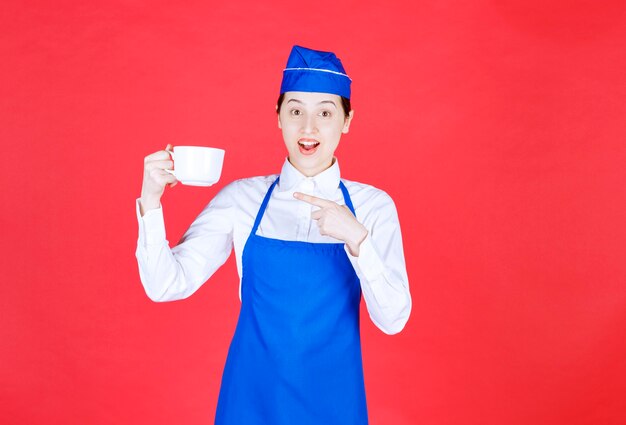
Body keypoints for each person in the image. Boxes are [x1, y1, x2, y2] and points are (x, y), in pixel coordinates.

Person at [135, 45, 411, 425]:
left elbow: (394, 319)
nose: (308, 128)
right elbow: (165, 285)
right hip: (250, 401)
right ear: (278, 117)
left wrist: (358, 240)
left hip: (335, 403)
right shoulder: (241, 199)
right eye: (295, 111)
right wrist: (151, 202)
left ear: (347, 120)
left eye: (325, 113)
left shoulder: (373, 208)